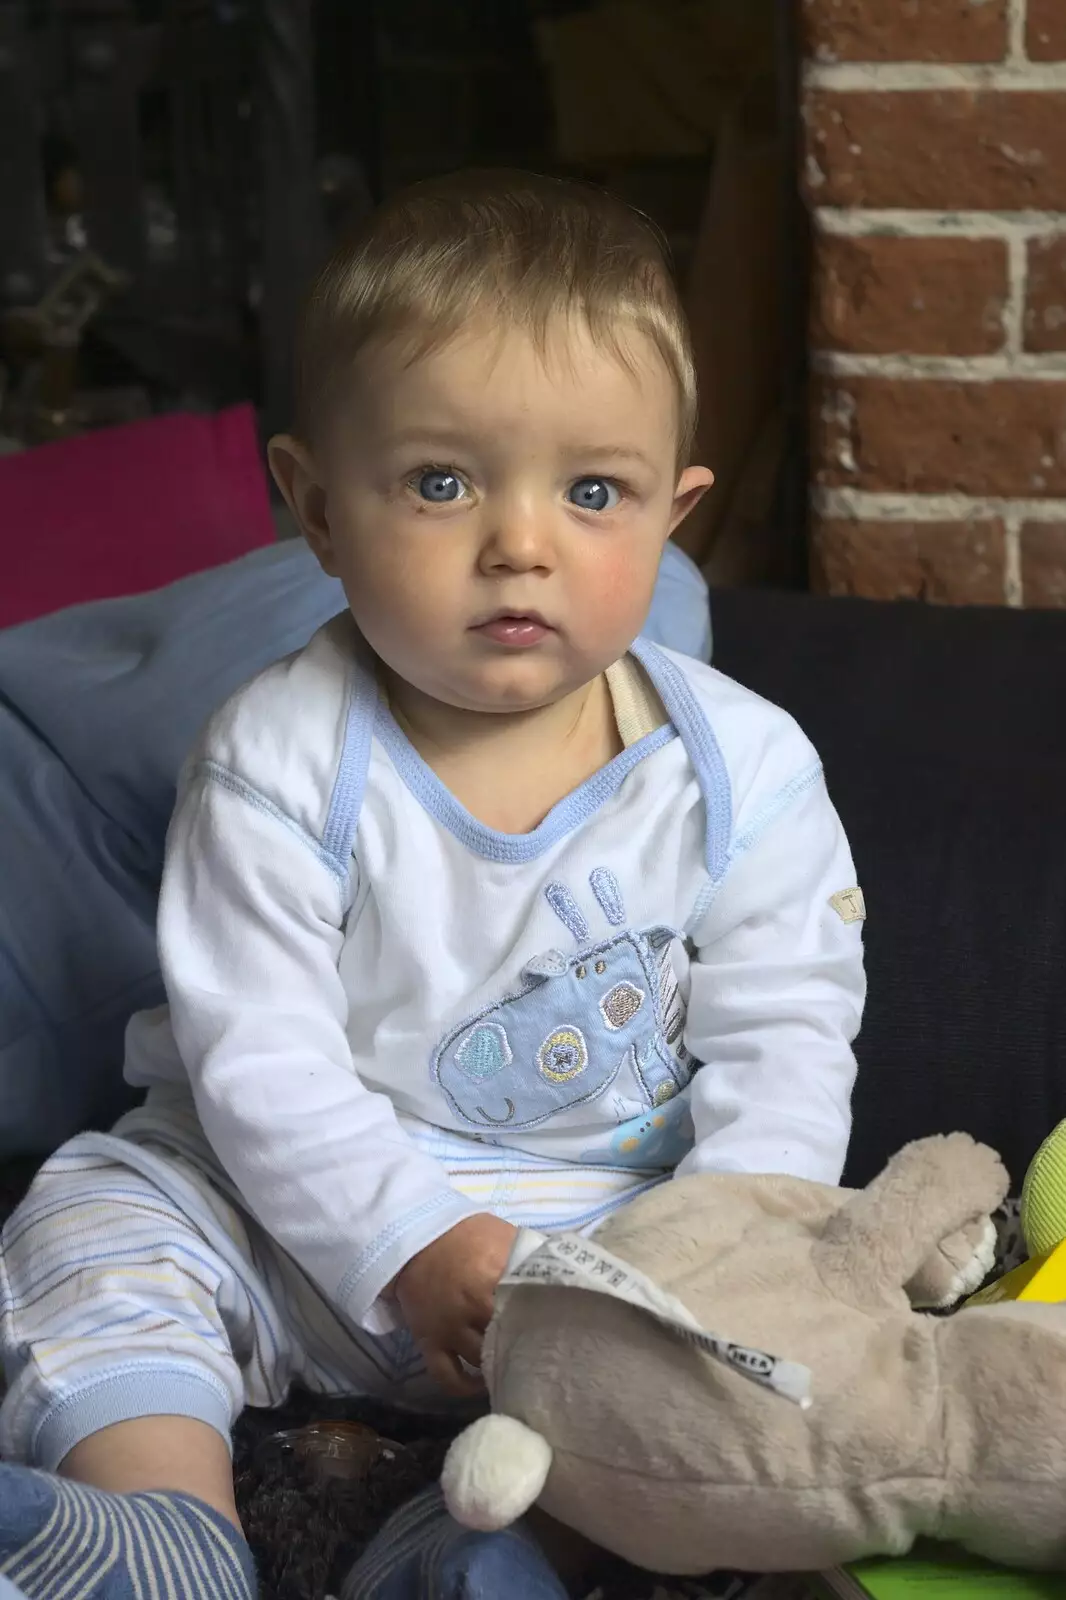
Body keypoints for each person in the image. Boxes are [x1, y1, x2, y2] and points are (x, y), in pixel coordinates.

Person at [0, 168, 865, 1600]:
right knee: (95, 1222)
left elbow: (782, 1047)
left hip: (604, 1235)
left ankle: (513, 1547)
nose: (517, 542)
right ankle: (161, 1526)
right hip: (285, 1213)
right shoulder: (276, 753)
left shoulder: (742, 770)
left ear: (672, 521)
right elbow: (257, 1059)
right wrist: (407, 1237)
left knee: (771, 1354)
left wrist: (712, 1266)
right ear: (318, 511)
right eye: (442, 482)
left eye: (592, 491)